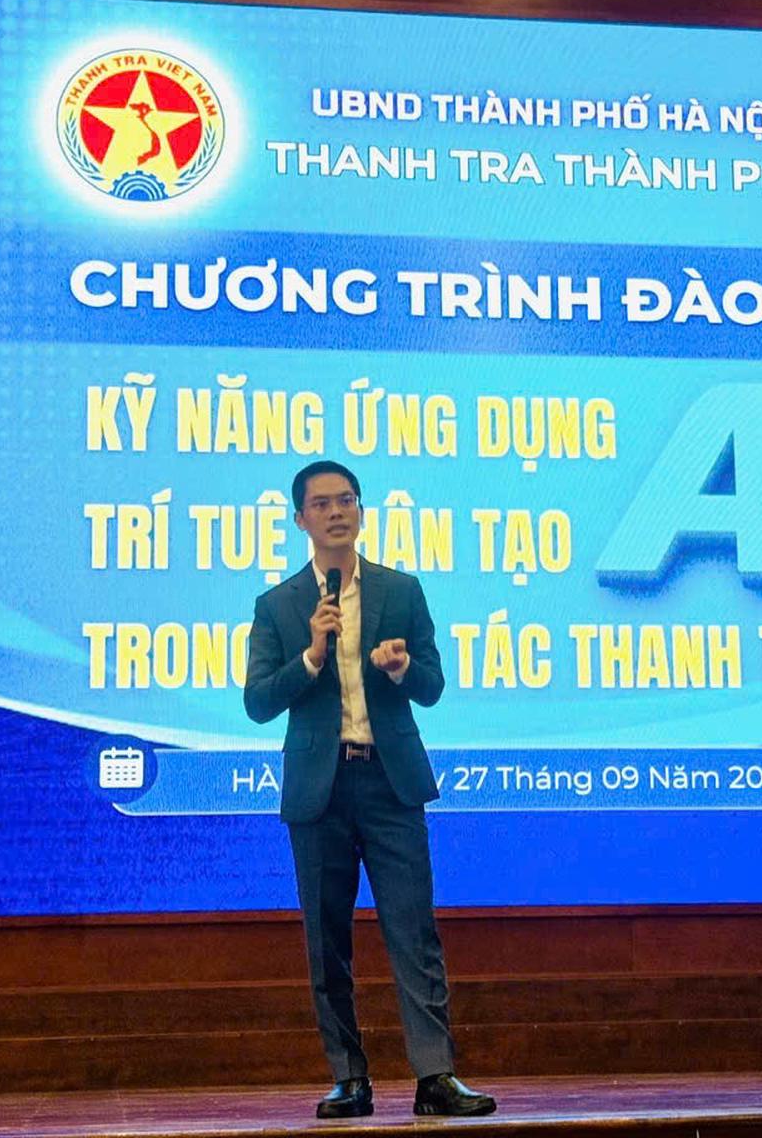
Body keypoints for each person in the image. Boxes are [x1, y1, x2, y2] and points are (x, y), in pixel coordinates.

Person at [243, 460, 496, 1118]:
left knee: (414, 932)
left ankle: (435, 1075)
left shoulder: (401, 591)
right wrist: (310, 657)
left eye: (347, 500)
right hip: (318, 790)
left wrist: (405, 668)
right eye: (322, 503)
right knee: (327, 940)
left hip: (390, 781)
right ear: (300, 519)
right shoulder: (278, 605)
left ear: (360, 512)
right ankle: (349, 1077)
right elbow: (258, 702)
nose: (337, 512)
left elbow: (432, 686)